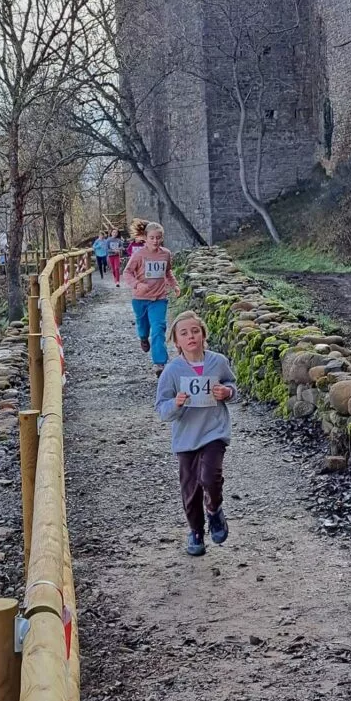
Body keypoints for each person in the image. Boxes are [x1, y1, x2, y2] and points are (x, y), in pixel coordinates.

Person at [155, 310, 237, 556]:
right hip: (186, 438)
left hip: (214, 432)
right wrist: (177, 404)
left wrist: (227, 392)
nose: (190, 336)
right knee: (190, 489)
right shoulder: (172, 371)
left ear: (203, 335)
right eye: (184, 333)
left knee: (210, 477)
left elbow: (233, 386)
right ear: (176, 341)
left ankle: (214, 510)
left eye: (195, 331)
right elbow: (162, 408)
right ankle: (196, 533)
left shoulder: (218, 362)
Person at [123, 221, 181, 374]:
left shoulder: (166, 254)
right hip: (140, 299)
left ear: (162, 238)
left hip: (159, 299)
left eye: (158, 238)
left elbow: (168, 272)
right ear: (145, 238)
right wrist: (137, 284)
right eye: (152, 238)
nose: (155, 241)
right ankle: (143, 337)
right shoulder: (139, 255)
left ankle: (160, 364)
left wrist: (174, 285)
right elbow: (127, 272)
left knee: (158, 329)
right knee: (143, 327)